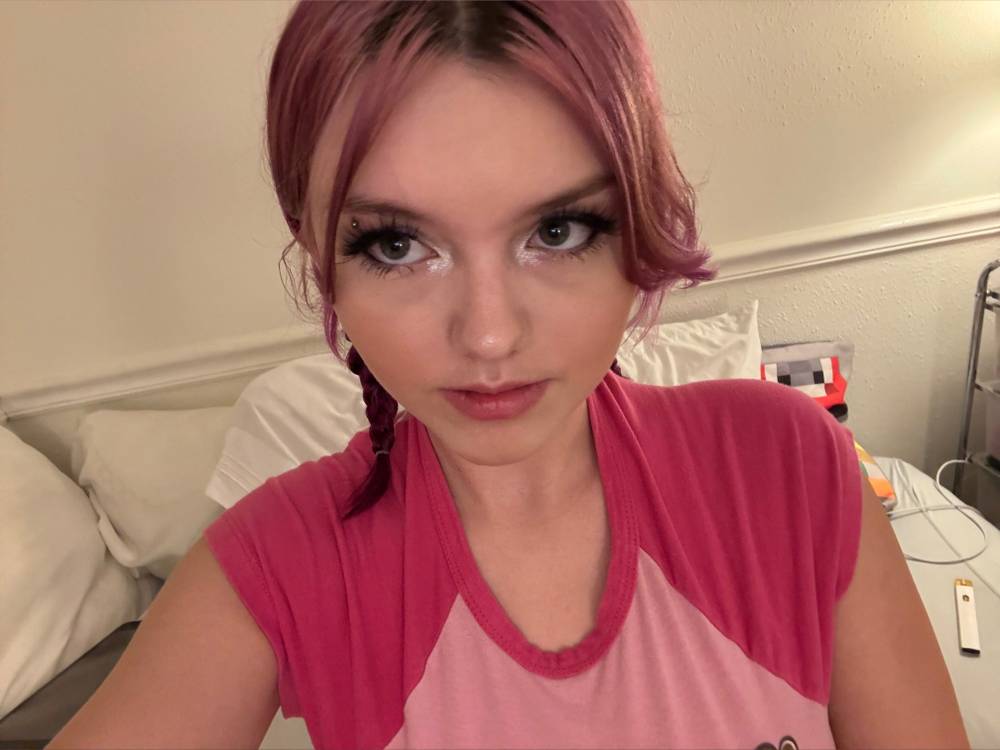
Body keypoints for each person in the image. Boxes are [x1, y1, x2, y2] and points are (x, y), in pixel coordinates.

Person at [49, 2, 968, 748]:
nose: (489, 336)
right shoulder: (275, 566)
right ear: (321, 253)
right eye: (397, 245)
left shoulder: (785, 466)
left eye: (557, 231)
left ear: (637, 219)